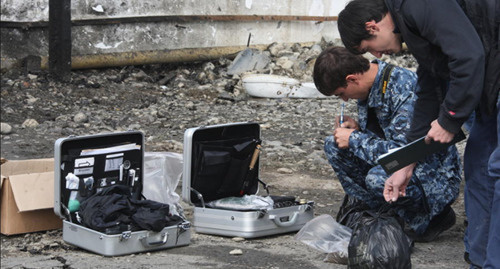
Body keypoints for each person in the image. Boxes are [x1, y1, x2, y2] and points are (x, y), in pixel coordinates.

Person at [337, 0, 499, 267]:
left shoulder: (417, 4)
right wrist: (405, 163)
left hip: (492, 76)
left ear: (372, 26)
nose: (378, 57)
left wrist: (450, 119)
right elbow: (430, 89)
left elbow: (469, 56)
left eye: (369, 49)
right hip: (490, 88)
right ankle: (480, 261)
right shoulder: (412, 25)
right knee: (479, 169)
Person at [313, 46, 461, 240]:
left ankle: (432, 216)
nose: (345, 99)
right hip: (402, 164)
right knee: (333, 146)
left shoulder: (403, 88)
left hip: (433, 173)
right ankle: (387, 212)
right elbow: (386, 136)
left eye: (342, 93)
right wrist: (357, 130)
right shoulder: (370, 85)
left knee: (376, 178)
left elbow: (404, 153)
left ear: (352, 79)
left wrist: (354, 139)